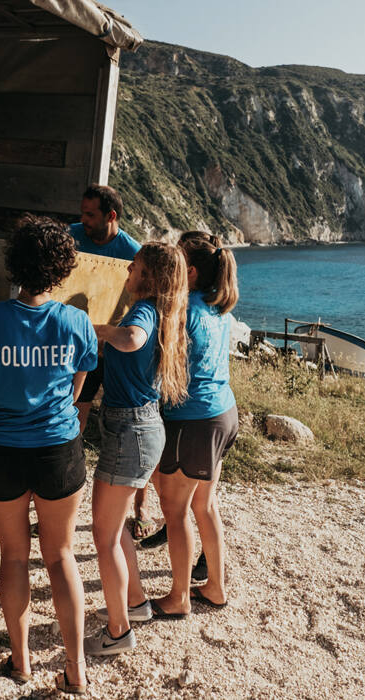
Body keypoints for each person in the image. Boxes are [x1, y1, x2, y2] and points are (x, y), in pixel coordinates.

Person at [0, 216, 98, 695]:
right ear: (60, 269)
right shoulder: (76, 322)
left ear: (14, 263)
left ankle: (22, 662)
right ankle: (75, 669)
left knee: (14, 556)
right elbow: (78, 387)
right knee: (60, 555)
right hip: (58, 453)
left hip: (2, 453)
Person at [85, 242, 188, 655]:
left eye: (136, 265)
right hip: (137, 428)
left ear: (149, 277)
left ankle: (119, 631)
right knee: (110, 528)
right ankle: (136, 602)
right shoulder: (161, 311)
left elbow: (130, 339)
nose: (128, 268)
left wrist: (96, 329)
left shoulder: (143, 312)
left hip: (131, 430)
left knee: (104, 534)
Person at [151, 231, 239, 615]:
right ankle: (215, 587)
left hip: (192, 421)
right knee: (204, 504)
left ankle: (179, 597)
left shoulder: (183, 311)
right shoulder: (220, 309)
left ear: (189, 271)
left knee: (175, 511)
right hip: (222, 414)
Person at [68, 185, 159, 541]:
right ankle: (65, 496)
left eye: (90, 215)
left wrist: (113, 336)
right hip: (82, 344)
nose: (82, 221)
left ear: (111, 217)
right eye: (82, 213)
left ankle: (141, 509)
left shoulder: (133, 253)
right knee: (76, 415)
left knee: (133, 428)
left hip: (118, 350)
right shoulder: (72, 238)